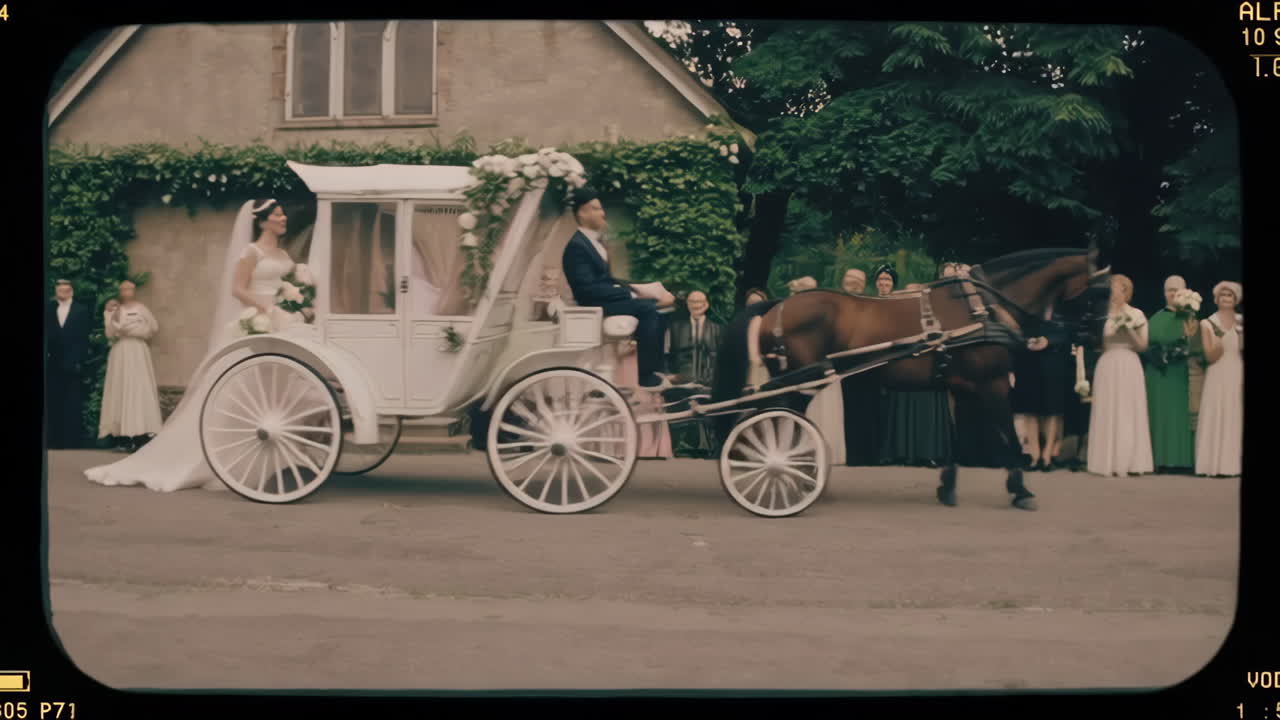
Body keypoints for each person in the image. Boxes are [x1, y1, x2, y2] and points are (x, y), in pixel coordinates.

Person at [84, 198, 305, 491]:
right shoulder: (250, 252)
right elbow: (237, 289)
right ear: (262, 221)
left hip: (279, 319)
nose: (283, 218)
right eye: (277, 214)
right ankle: (218, 456)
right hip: (256, 318)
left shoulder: (281, 253)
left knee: (271, 389)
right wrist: (266, 308)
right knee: (240, 390)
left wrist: (293, 298)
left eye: (283, 213)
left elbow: (286, 285)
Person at [561, 186, 675, 390]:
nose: (602, 213)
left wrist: (635, 288)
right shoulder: (576, 247)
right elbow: (586, 289)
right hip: (593, 304)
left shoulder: (591, 242)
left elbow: (607, 279)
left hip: (605, 299)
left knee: (659, 309)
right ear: (582, 213)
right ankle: (645, 375)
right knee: (648, 309)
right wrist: (628, 294)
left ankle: (656, 367)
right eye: (596, 209)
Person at [1087, 274, 1154, 476]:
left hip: (1129, 363)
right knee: (1107, 409)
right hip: (1108, 363)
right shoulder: (1101, 314)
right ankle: (1104, 462)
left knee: (1128, 411)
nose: (1116, 292)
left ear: (1127, 292)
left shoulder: (1137, 314)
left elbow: (1143, 346)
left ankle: (1130, 461)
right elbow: (1095, 343)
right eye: (1113, 288)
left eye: (1120, 288)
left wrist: (1128, 329)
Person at [97, 280, 163, 453]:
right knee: (120, 388)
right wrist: (113, 317)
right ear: (120, 291)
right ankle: (122, 436)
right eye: (124, 289)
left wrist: (133, 329)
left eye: (130, 289)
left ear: (134, 291)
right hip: (120, 352)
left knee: (138, 388)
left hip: (137, 351)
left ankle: (141, 433)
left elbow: (152, 328)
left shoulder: (141, 309)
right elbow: (110, 333)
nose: (127, 291)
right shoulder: (113, 309)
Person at [1144, 275, 1197, 473]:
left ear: (1185, 291)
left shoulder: (1191, 318)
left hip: (1178, 374)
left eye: (1177, 289)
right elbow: (1145, 344)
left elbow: (1194, 345)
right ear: (1163, 293)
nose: (1173, 293)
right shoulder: (1155, 317)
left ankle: (1180, 460)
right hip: (1156, 374)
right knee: (1158, 413)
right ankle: (1158, 459)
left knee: (1178, 415)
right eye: (1169, 289)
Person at [1009, 305, 1072, 471]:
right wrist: (1026, 342)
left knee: (1053, 411)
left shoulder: (1063, 308)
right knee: (1030, 410)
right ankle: (1034, 456)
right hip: (1029, 363)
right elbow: (1016, 332)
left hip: (1054, 364)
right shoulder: (1027, 308)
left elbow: (1069, 333)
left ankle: (1047, 455)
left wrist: (1048, 341)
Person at [1194, 282, 1243, 477]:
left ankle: (1231, 465)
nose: (1225, 299)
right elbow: (1210, 355)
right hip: (1217, 370)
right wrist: (1217, 340)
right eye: (1222, 295)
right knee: (1215, 412)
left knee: (1234, 413)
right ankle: (1211, 464)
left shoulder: (1241, 321)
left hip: (1236, 369)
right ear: (1216, 299)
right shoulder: (1208, 322)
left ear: (1236, 299)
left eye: (1229, 296)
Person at [47, 278, 91, 449]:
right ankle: (53, 441)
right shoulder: (49, 308)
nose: (63, 293)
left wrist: (79, 360)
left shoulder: (81, 310)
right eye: (60, 291)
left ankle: (72, 441)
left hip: (73, 362)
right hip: (53, 362)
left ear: (71, 291)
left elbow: (83, 338)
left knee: (72, 402)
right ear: (56, 291)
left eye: (66, 290)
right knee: (53, 401)